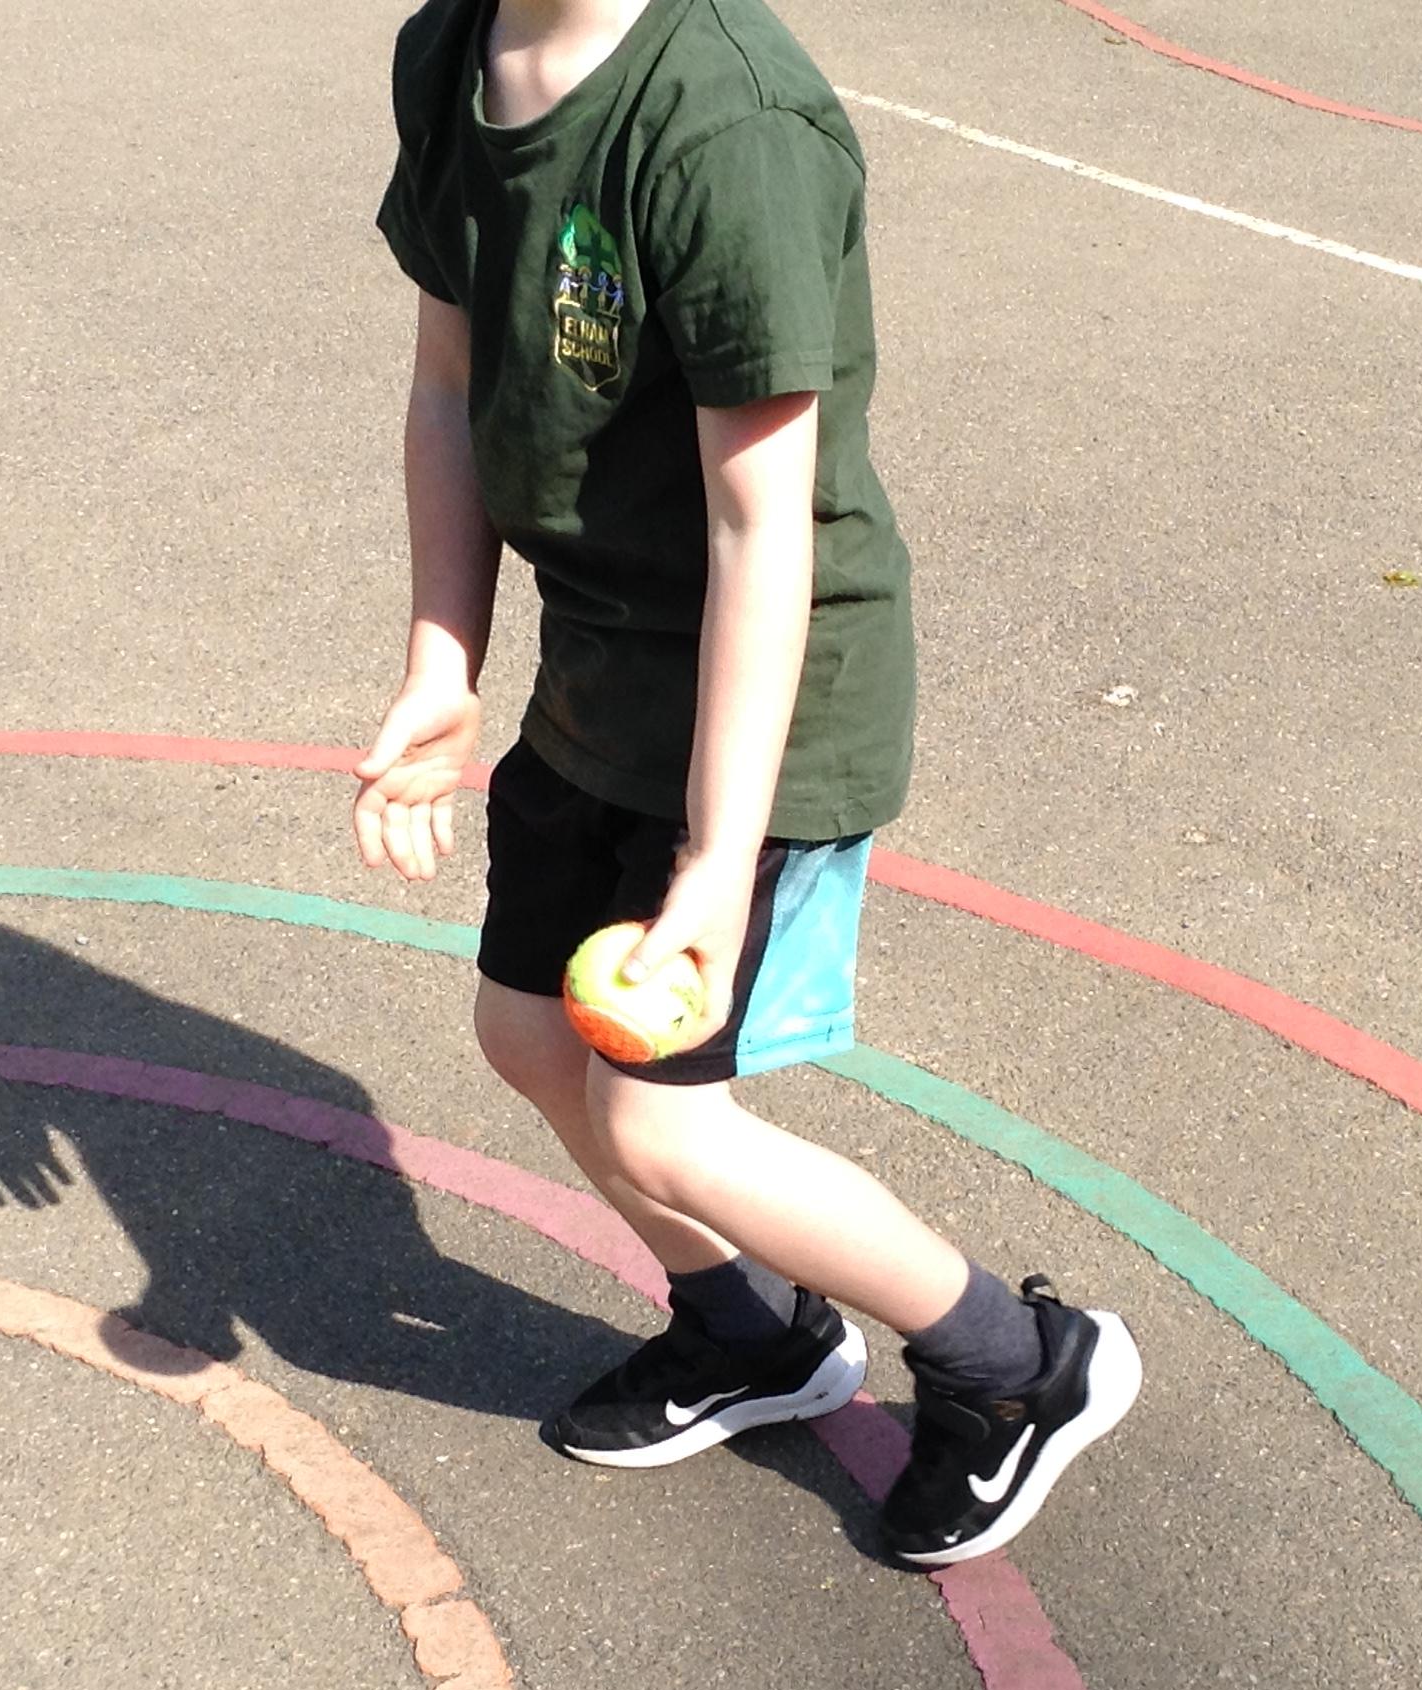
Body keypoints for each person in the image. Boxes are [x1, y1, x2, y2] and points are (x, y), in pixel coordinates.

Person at [355, 0, 1138, 1564]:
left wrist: (720, 857)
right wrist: (446, 662)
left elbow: (758, 523)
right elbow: (447, 386)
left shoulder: (727, 122)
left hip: (765, 708)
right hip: (599, 672)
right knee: (526, 1033)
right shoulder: (449, 52)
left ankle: (1016, 1364)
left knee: (666, 1130)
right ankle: (751, 1331)